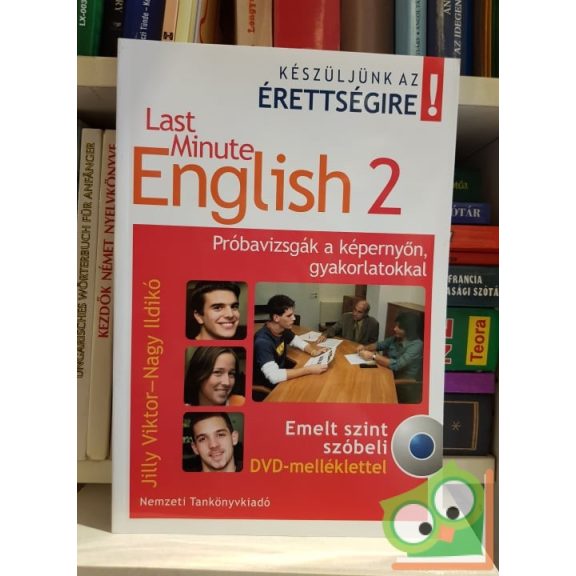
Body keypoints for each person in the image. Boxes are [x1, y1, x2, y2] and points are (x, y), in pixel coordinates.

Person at [253, 294, 329, 389]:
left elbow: (298, 341)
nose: (294, 318)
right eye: (289, 316)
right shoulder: (262, 342)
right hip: (269, 384)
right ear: (276, 318)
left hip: (281, 373)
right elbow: (274, 377)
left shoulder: (282, 329)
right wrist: (309, 370)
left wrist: (313, 351)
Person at [357, 311, 423, 381]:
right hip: (387, 371)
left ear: (409, 330)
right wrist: (364, 347)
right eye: (396, 325)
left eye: (399, 327)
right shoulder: (397, 337)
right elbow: (379, 345)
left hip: (400, 381)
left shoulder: (417, 345)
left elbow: (397, 365)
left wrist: (373, 356)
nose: (395, 329)